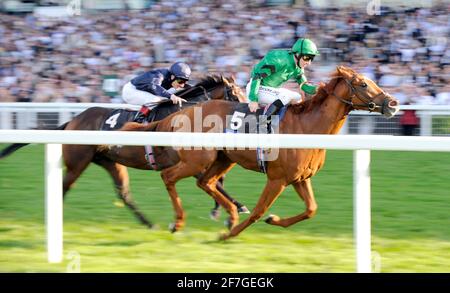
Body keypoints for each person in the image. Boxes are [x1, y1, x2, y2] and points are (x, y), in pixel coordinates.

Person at [246, 38, 321, 126]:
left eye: (312, 59)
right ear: (297, 54)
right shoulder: (279, 60)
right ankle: (262, 124)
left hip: (270, 90)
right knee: (286, 96)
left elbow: (304, 86)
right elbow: (257, 76)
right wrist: (253, 99)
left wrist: (319, 89)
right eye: (307, 58)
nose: (309, 62)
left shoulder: (298, 67)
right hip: (256, 88)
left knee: (297, 97)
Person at [122, 62, 191, 122]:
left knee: (166, 99)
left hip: (142, 91)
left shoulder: (172, 78)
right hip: (131, 91)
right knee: (155, 100)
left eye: (184, 82)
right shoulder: (159, 75)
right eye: (180, 81)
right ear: (173, 76)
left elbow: (186, 87)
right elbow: (155, 86)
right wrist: (171, 96)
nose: (182, 85)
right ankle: (138, 120)